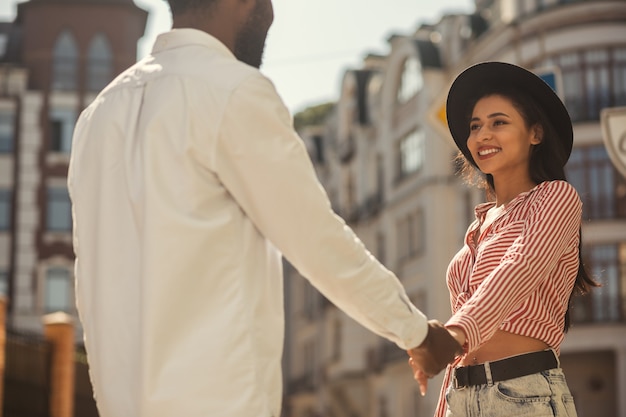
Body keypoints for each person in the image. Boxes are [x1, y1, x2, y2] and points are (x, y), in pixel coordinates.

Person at [67, 0, 462, 416]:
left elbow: (90, 271)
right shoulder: (232, 90)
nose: (271, 13)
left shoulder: (97, 117)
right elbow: (316, 240)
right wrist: (418, 333)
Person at [409, 61, 599, 416]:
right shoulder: (476, 229)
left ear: (535, 133)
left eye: (499, 122)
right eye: (475, 126)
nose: (482, 135)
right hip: (459, 397)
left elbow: (518, 268)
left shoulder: (556, 197)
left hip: (523, 394)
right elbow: (461, 350)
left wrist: (453, 334)